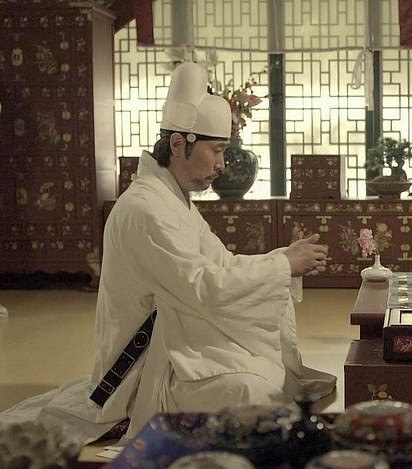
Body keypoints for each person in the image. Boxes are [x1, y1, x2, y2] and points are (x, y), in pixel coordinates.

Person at [1, 61, 335, 443]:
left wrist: (282, 259)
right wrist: (281, 266)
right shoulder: (146, 209)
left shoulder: (173, 200)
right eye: (217, 150)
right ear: (178, 144)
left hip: (178, 339)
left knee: (268, 371)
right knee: (252, 391)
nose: (222, 165)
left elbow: (221, 264)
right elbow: (203, 285)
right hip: (145, 367)